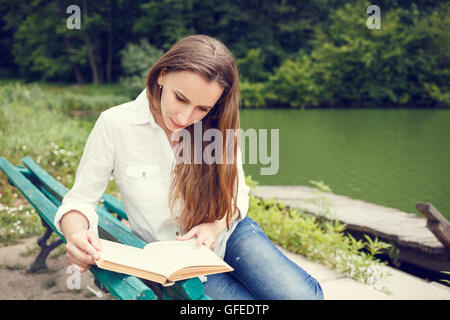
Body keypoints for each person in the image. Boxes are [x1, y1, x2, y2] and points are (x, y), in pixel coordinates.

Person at [54, 34, 324, 300]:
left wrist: (215, 227)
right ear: (162, 75)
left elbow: (238, 193)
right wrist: (76, 235)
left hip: (229, 233)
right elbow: (79, 201)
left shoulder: (219, 125)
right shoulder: (115, 124)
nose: (185, 117)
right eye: (180, 98)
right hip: (174, 261)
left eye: (202, 108)